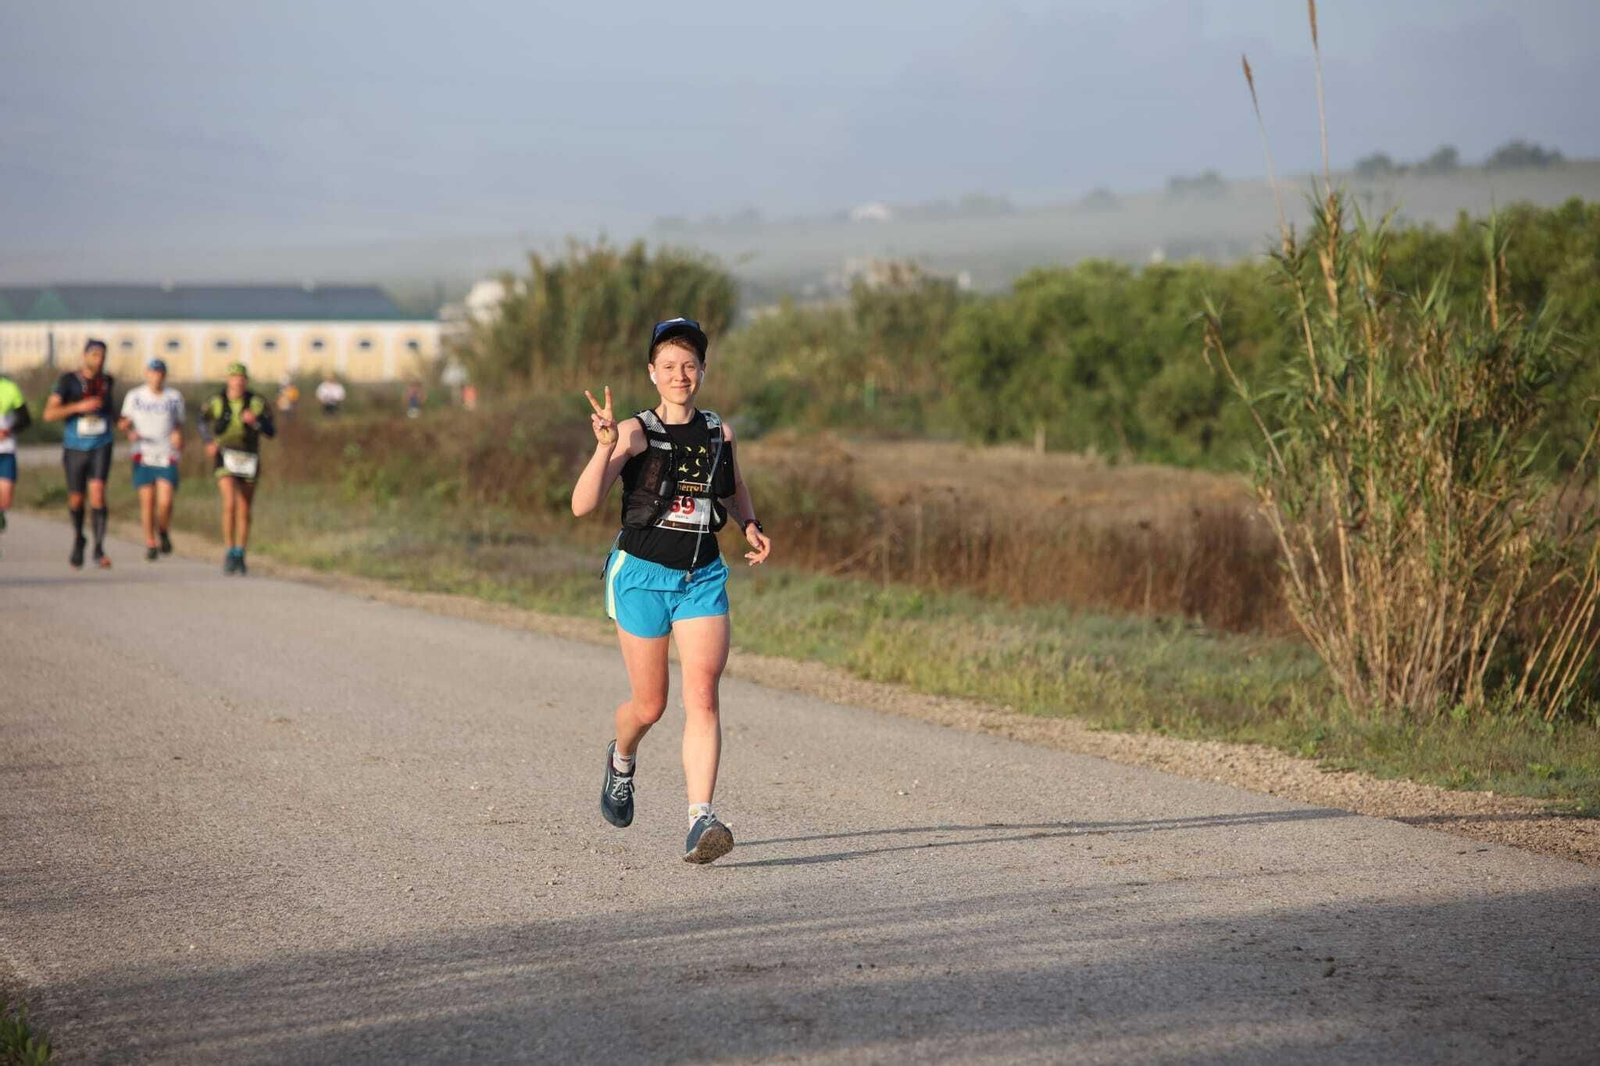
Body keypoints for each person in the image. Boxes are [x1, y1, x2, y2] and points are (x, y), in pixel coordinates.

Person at [569, 317, 773, 864]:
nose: (680, 375)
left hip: (702, 577)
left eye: (689, 365)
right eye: (669, 366)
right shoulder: (635, 432)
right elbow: (582, 504)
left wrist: (750, 524)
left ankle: (700, 818)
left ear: (702, 371)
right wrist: (604, 447)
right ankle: (622, 759)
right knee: (650, 704)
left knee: (702, 695)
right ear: (652, 374)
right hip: (640, 577)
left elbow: (732, 488)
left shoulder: (718, 432)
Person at [42, 339, 116, 568]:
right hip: (75, 447)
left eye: (102, 355)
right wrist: (77, 407)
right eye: (94, 355)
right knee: (76, 498)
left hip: (101, 444)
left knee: (98, 493)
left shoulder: (107, 382)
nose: (99, 359)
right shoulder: (68, 381)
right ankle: (78, 538)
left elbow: (110, 411)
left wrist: (122, 422)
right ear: (85, 356)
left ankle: (99, 548)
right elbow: (49, 414)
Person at [198, 362, 275, 575]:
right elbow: (201, 421)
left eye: (241, 378)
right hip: (225, 455)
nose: (237, 381)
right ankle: (229, 550)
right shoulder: (216, 401)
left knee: (244, 508)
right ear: (228, 380)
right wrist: (208, 442)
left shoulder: (257, 402)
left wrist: (256, 421)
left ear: (246, 381)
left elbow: (271, 430)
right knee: (229, 503)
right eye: (233, 377)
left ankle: (241, 552)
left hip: (248, 456)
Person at [118, 359, 185, 561]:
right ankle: (150, 542)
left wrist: (179, 436)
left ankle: (163, 530)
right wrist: (128, 429)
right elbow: (124, 421)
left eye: (160, 373)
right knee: (147, 501)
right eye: (153, 372)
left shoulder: (174, 397)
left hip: (166, 453)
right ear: (147, 374)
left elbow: (180, 424)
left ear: (164, 375)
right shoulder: (135, 396)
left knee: (165, 501)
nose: (156, 377)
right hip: (143, 452)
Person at [0, 373, 33, 549]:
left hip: (5, 450)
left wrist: (9, 430)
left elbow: (26, 419)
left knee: (5, 497)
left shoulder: (9, 388)